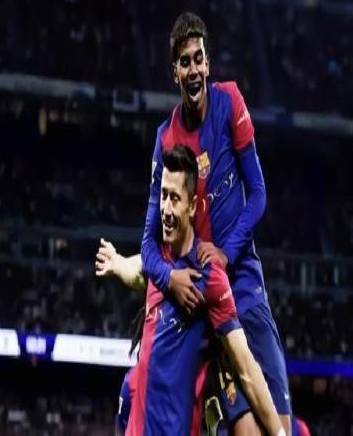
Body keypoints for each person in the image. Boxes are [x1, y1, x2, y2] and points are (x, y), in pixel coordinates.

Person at [140, 12, 291, 435]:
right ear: (174, 72)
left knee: (279, 420)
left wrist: (227, 251)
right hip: (198, 291)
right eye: (184, 62)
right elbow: (148, 244)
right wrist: (170, 279)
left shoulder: (230, 103)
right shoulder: (166, 140)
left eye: (198, 59)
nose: (193, 69)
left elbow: (258, 193)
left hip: (241, 278)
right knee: (240, 426)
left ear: (208, 63)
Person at [111, 145, 283, 436]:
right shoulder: (156, 259)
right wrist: (116, 263)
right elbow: (137, 271)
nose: (166, 209)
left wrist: (279, 433)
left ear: (192, 206)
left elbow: (246, 367)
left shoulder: (209, 276)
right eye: (163, 196)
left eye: (175, 198)